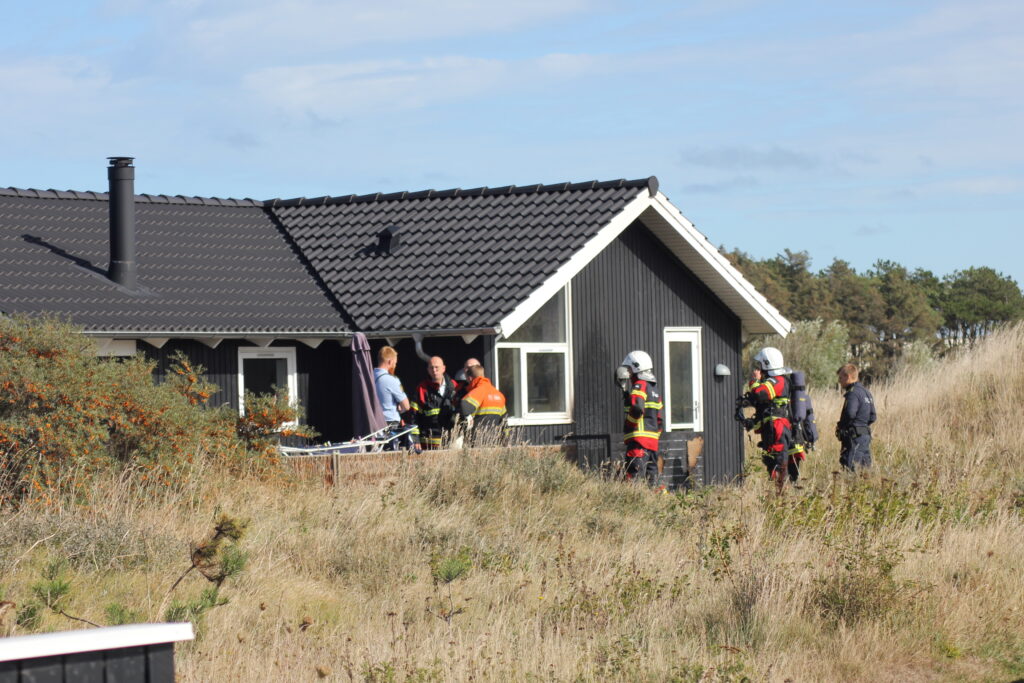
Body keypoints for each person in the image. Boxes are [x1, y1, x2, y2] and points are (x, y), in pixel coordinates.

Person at [743, 346, 801, 490]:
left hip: (778, 428)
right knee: (772, 460)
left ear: (766, 364)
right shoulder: (776, 380)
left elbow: (760, 393)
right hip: (774, 428)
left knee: (778, 461)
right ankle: (779, 491)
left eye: (760, 365)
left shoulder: (776, 381)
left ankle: (781, 494)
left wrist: (754, 381)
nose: (759, 369)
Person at [618, 350, 663, 487]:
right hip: (652, 445)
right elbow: (659, 420)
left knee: (633, 480)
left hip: (638, 442)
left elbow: (637, 408)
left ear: (636, 367)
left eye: (629, 369)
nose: (628, 373)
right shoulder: (654, 389)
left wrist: (629, 424)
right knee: (652, 482)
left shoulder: (640, 384)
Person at [373, 346, 417, 451]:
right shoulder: (392, 380)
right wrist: (399, 409)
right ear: (390, 362)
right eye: (395, 363)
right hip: (389, 424)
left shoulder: (369, 377)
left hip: (372, 424)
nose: (395, 366)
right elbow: (406, 406)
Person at [411, 356, 458, 450]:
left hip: (451, 442)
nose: (434, 370)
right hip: (428, 443)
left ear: (443, 368)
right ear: (428, 370)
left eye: (437, 367)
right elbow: (414, 416)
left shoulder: (454, 386)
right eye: (431, 368)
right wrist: (415, 439)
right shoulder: (422, 388)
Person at [836, 363, 876, 471]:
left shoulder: (853, 393)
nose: (839, 381)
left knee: (850, 469)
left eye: (840, 378)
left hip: (854, 438)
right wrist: (861, 425)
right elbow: (873, 416)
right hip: (865, 437)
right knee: (864, 471)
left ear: (848, 377)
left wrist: (843, 427)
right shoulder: (866, 392)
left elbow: (850, 413)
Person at [459, 364, 507, 446]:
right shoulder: (499, 395)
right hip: (495, 441)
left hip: (477, 440)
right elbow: (504, 421)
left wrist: (466, 421)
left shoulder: (479, 391)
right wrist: (505, 440)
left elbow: (464, 405)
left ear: (470, 378)